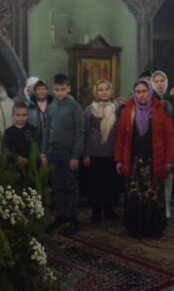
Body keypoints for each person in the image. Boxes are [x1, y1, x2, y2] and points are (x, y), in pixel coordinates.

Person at [115, 79, 174, 238]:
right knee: (135, 194)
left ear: (150, 92)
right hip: (134, 161)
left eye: (144, 91)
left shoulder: (161, 109)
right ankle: (134, 227)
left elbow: (169, 136)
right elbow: (121, 136)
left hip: (154, 160)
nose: (141, 95)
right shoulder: (127, 110)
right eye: (138, 92)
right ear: (134, 94)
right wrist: (119, 159)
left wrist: (169, 159)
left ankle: (153, 228)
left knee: (152, 195)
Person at [41, 74, 84, 235]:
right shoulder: (51, 106)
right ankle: (60, 216)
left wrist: (75, 155)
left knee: (70, 186)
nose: (59, 93)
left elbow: (80, 132)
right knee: (57, 186)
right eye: (57, 90)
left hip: (68, 152)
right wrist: (43, 152)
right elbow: (46, 130)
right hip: (52, 151)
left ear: (68, 88)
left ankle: (72, 218)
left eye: (62, 89)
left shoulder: (74, 107)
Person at [83, 79, 120, 223]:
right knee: (95, 183)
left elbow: (120, 132)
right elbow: (85, 131)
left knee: (111, 183)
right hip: (95, 152)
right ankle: (96, 210)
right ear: (96, 92)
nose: (104, 92)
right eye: (101, 89)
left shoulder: (117, 109)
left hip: (111, 152)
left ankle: (109, 209)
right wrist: (85, 154)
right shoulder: (89, 109)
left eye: (106, 89)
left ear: (111, 91)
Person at [151, 70, 174, 218]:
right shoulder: (149, 98)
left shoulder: (173, 100)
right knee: (154, 174)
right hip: (154, 142)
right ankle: (155, 204)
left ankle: (167, 205)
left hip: (170, 141)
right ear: (152, 83)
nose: (159, 84)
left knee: (168, 174)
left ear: (166, 82)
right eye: (156, 81)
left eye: (162, 81)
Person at [26, 80, 54, 147]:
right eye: (38, 89)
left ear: (47, 90)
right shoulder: (29, 104)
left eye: (43, 89)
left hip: (51, 137)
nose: (41, 91)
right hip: (35, 137)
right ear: (35, 91)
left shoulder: (53, 103)